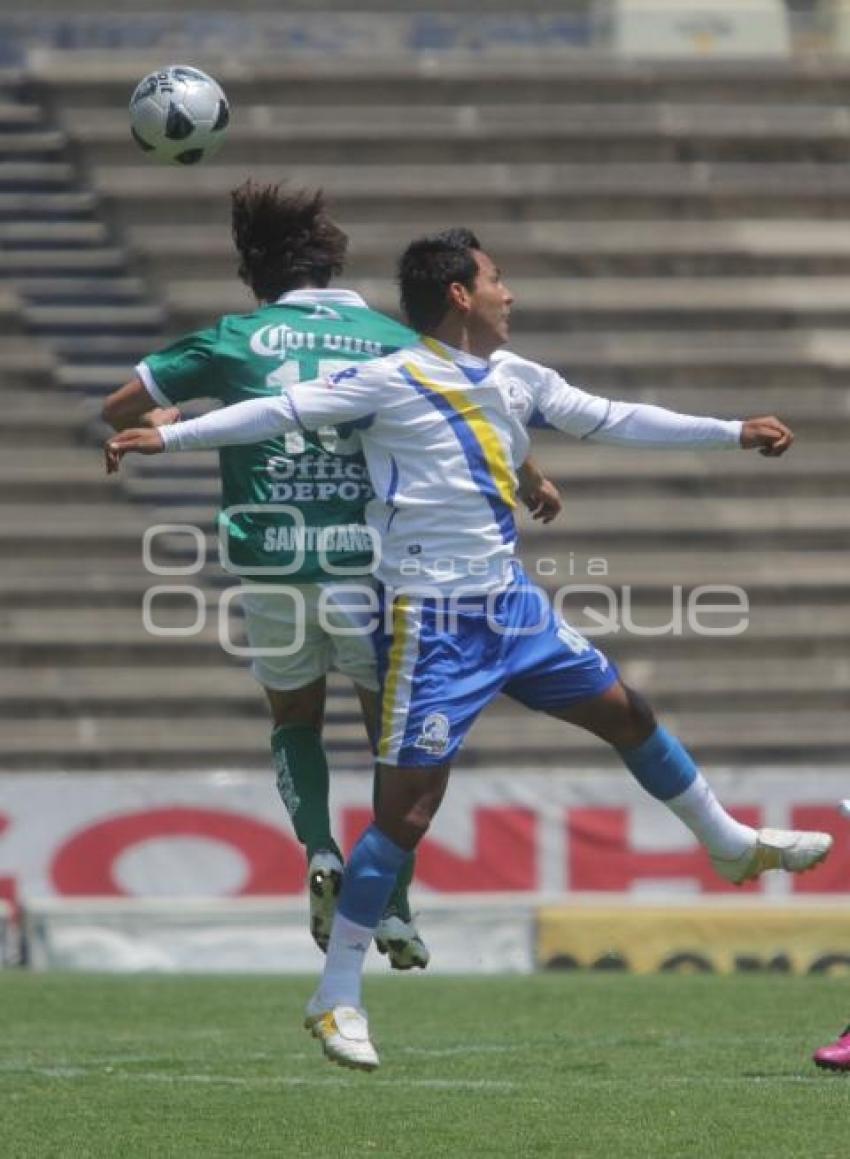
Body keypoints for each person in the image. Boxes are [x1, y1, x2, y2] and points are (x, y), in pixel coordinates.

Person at [105, 227, 833, 1071]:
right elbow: (282, 410)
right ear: (459, 293)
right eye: (497, 279)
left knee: (627, 713)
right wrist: (169, 437)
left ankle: (727, 841)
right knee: (408, 814)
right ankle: (335, 995)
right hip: (433, 623)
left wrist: (730, 429)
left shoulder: (519, 378)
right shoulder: (390, 376)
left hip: (512, 606)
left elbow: (613, 418)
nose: (509, 293)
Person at [102, 187, 558, 968]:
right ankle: (396, 909)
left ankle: (319, 847)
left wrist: (172, 422)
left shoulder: (235, 336)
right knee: (399, 736)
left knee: (294, 717)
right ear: (334, 263)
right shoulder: (388, 337)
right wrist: (531, 476)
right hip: (367, 567)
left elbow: (122, 409)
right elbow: (472, 406)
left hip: (270, 561)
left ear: (259, 274)